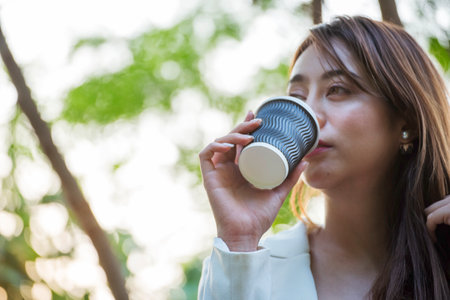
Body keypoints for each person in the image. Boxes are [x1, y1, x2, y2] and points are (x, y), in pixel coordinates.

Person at [198, 16, 450, 299]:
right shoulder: (242, 266)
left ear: (408, 122)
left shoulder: (444, 254)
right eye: (297, 96)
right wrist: (239, 238)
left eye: (337, 90)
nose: (309, 116)